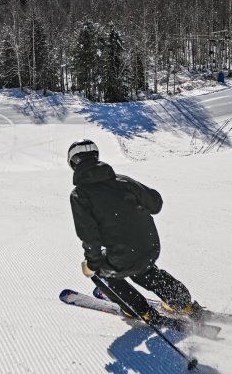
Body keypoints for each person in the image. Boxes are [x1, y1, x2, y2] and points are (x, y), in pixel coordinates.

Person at [67, 139, 203, 325]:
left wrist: (92, 263)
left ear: (73, 163)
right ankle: (184, 304)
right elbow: (155, 204)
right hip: (150, 247)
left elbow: (89, 236)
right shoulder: (122, 180)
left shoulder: (80, 195)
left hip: (124, 256)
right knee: (142, 269)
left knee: (98, 270)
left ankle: (138, 310)